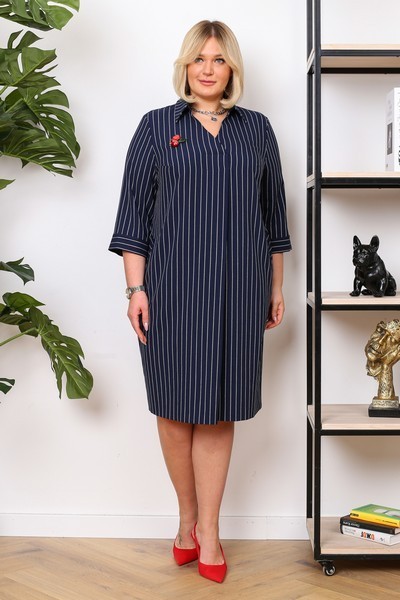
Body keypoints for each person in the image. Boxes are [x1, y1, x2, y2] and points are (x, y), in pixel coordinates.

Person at [109, 20, 291, 584]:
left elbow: (274, 219)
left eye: (218, 59)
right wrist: (136, 290)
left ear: (232, 68)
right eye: (198, 59)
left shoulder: (257, 130)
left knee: (218, 409)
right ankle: (186, 519)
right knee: (174, 407)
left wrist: (275, 287)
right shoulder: (156, 127)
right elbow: (133, 218)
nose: (208, 69)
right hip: (171, 291)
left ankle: (209, 531)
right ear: (185, 67)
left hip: (239, 290)